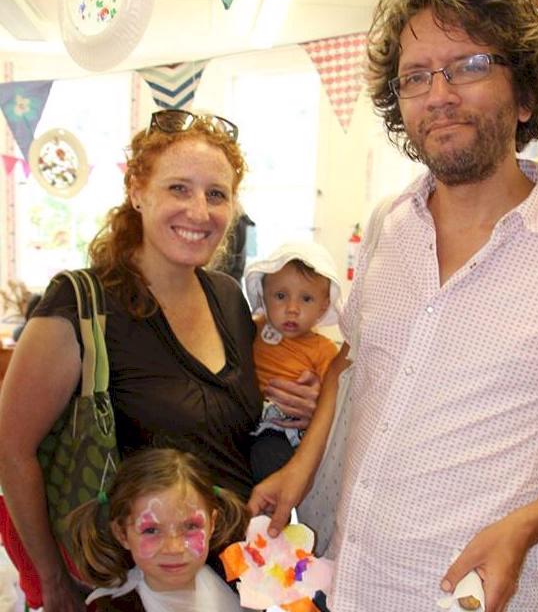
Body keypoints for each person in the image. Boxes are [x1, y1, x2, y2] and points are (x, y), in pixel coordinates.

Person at [248, 0, 538, 611]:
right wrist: (300, 469)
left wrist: (526, 526)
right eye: (416, 76)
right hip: (356, 580)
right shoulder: (388, 225)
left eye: (469, 66)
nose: (439, 95)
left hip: (472, 595)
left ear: (526, 94)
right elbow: (354, 361)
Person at [0, 109, 320, 612]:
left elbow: (235, 422)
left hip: (235, 575)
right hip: (131, 586)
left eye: (216, 194)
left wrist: (298, 403)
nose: (199, 211)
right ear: (137, 192)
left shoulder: (227, 297)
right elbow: (11, 448)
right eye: (178, 189)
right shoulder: (81, 306)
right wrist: (53, 581)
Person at [65, 448, 248, 612]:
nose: (174, 548)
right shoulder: (115, 606)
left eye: (191, 526)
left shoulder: (240, 577)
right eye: (151, 530)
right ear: (122, 534)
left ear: (212, 524)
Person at [243, 242, 342, 482]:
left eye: (306, 299)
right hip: (246, 418)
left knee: (268, 459)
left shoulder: (324, 350)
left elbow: (332, 401)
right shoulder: (251, 329)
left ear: (323, 307)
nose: (292, 309)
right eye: (280, 296)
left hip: (285, 428)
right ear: (264, 296)